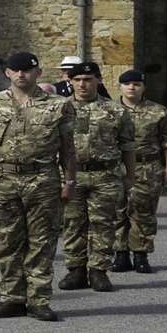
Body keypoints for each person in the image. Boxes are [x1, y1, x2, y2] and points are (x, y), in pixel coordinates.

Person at [0, 52, 77, 321]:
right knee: (7, 240)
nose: (21, 75)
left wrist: (70, 180)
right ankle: (11, 298)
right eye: (15, 70)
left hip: (42, 179)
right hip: (3, 179)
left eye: (27, 71)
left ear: (38, 73)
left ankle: (39, 299)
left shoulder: (58, 105)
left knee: (42, 241)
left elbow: (68, 147)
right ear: (7, 73)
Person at [57, 63, 134, 293]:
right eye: (77, 79)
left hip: (105, 174)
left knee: (103, 224)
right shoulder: (59, 109)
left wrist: (130, 175)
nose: (82, 84)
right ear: (70, 81)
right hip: (72, 174)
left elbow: (128, 145)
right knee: (72, 223)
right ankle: (76, 270)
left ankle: (98, 271)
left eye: (88, 79)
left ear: (98, 81)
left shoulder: (116, 110)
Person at [112, 70, 167, 273]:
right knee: (117, 212)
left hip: (147, 167)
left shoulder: (158, 111)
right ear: (120, 87)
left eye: (136, 84)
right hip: (117, 168)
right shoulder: (109, 110)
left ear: (143, 87)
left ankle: (140, 254)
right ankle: (120, 254)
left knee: (144, 212)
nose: (132, 87)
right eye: (127, 84)